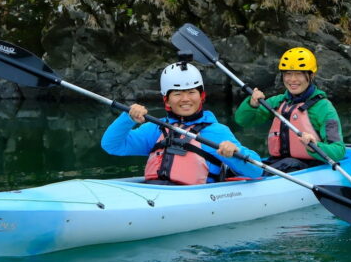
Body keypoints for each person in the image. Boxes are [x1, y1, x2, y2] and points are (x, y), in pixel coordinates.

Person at [101, 59, 263, 184]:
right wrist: (127, 119)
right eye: (177, 94)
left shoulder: (217, 131)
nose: (185, 99)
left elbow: (256, 171)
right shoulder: (154, 129)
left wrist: (234, 153)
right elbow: (112, 146)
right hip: (155, 192)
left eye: (191, 92)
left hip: (197, 199)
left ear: (201, 97)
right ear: (167, 100)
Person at [234, 46, 345, 172]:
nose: (292, 80)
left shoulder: (324, 108)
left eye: (299, 74)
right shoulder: (277, 102)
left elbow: (338, 150)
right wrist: (251, 104)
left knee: (289, 163)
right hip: (279, 163)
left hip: (310, 166)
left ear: (311, 75)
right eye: (288, 74)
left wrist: (315, 146)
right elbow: (242, 121)